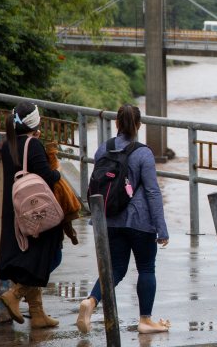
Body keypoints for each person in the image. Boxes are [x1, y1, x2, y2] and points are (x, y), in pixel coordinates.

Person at [76, 104, 170, 334]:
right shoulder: (143, 152)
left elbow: (96, 185)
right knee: (146, 268)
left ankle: (90, 301)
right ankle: (145, 321)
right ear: (138, 125)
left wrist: (96, 219)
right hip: (140, 221)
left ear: (116, 123)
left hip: (110, 220)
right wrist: (162, 228)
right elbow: (152, 192)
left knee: (116, 269)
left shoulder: (102, 150)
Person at [0, 102, 63, 328]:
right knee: (51, 256)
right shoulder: (32, 145)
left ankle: (37, 314)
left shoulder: (9, 144)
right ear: (35, 122)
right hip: (36, 214)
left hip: (15, 212)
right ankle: (16, 294)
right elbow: (47, 176)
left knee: (28, 259)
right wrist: (58, 172)